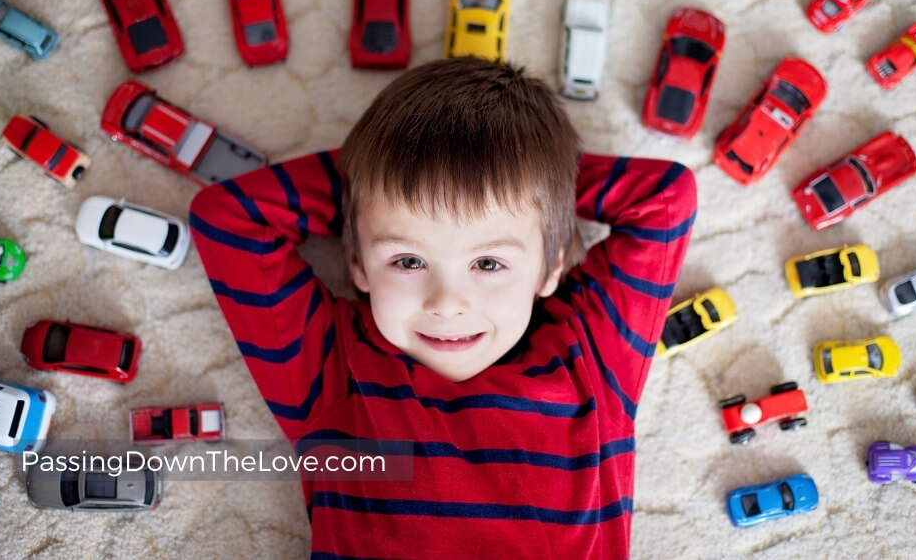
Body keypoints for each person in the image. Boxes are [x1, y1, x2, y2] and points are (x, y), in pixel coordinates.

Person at [189, 56, 697, 558]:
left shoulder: (593, 361)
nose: (447, 304)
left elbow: (665, 199)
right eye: (408, 260)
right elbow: (228, 220)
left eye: (490, 264)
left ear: (549, 269)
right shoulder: (335, 373)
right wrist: (377, 179)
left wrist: (539, 180)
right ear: (357, 264)